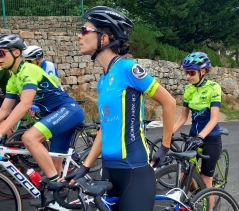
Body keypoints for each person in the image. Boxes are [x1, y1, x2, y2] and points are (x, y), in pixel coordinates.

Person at [59, 6, 176, 211]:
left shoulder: (127, 68)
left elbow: (169, 102)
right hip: (109, 171)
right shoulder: (102, 80)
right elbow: (105, 129)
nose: (79, 36)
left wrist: (165, 147)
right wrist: (85, 167)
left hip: (134, 171)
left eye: (85, 30)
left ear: (103, 38)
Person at [0, 33, 85, 182]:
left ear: (16, 52)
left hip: (68, 110)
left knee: (29, 138)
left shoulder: (29, 70)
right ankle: (59, 196)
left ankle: (54, 184)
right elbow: (4, 110)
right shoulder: (13, 79)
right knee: (54, 168)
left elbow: (25, 103)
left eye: (1, 53)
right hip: (54, 116)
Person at [172, 52, 222, 210]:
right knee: (183, 175)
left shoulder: (214, 87)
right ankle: (195, 195)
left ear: (203, 71)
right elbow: (183, 117)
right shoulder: (188, 90)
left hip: (211, 138)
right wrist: (168, 133)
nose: (187, 76)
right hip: (194, 136)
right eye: (186, 72)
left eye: (191, 72)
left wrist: (201, 136)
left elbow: (214, 118)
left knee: (206, 181)